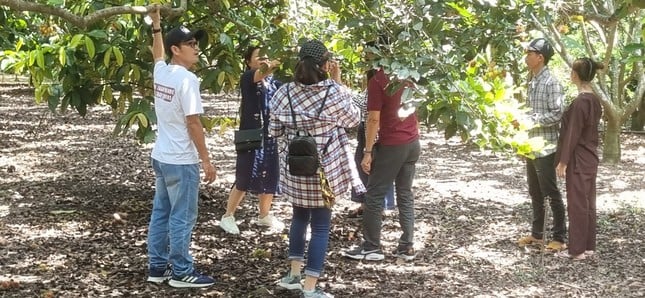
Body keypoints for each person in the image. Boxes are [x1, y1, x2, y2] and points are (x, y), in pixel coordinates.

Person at [271, 40, 362, 298]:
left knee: (299, 217)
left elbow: (274, 130)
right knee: (321, 226)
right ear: (325, 65)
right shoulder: (333, 92)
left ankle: (293, 275)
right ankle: (310, 288)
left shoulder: (284, 92)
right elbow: (354, 119)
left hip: (295, 169)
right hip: (324, 172)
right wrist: (338, 80)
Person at [145, 8, 216, 288]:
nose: (196, 49)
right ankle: (181, 271)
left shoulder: (162, 71)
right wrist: (206, 160)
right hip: (181, 160)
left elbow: (156, 53)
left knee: (161, 212)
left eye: (196, 44)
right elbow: (194, 122)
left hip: (161, 156)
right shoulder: (187, 80)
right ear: (177, 50)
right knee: (182, 216)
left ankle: (157, 266)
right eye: (190, 45)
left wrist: (157, 26)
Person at [343, 38, 421, 262]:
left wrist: (367, 151)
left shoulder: (379, 80)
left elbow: (373, 118)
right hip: (412, 142)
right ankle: (406, 246)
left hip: (392, 144)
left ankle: (371, 246)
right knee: (405, 194)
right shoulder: (407, 74)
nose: (365, 58)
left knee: (374, 194)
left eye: (367, 54)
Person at [219, 46, 284, 234]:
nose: (264, 59)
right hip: (250, 135)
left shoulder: (275, 83)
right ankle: (228, 216)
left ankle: (264, 215)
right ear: (249, 62)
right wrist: (283, 56)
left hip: (270, 135)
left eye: (266, 55)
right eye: (259, 56)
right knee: (244, 175)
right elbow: (263, 72)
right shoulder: (248, 77)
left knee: (270, 174)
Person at [516, 38, 567, 252]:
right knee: (534, 191)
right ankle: (537, 234)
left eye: (530, 53)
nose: (526, 56)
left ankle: (560, 237)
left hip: (546, 147)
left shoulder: (551, 82)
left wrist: (531, 120)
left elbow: (557, 114)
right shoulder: (532, 79)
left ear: (540, 57)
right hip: (530, 146)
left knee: (550, 191)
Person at [554, 58, 604, 260]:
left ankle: (577, 250)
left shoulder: (580, 102)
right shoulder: (594, 100)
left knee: (577, 204)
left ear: (575, 75)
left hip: (579, 159)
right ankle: (588, 246)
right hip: (590, 157)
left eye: (571, 71)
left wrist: (563, 162)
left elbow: (572, 134)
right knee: (588, 202)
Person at [348, 69, 395, 218]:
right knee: (365, 168)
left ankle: (377, 207)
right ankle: (366, 204)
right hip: (373, 129)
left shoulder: (377, 82)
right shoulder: (385, 81)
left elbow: (362, 107)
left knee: (372, 168)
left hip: (373, 130)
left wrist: (368, 150)